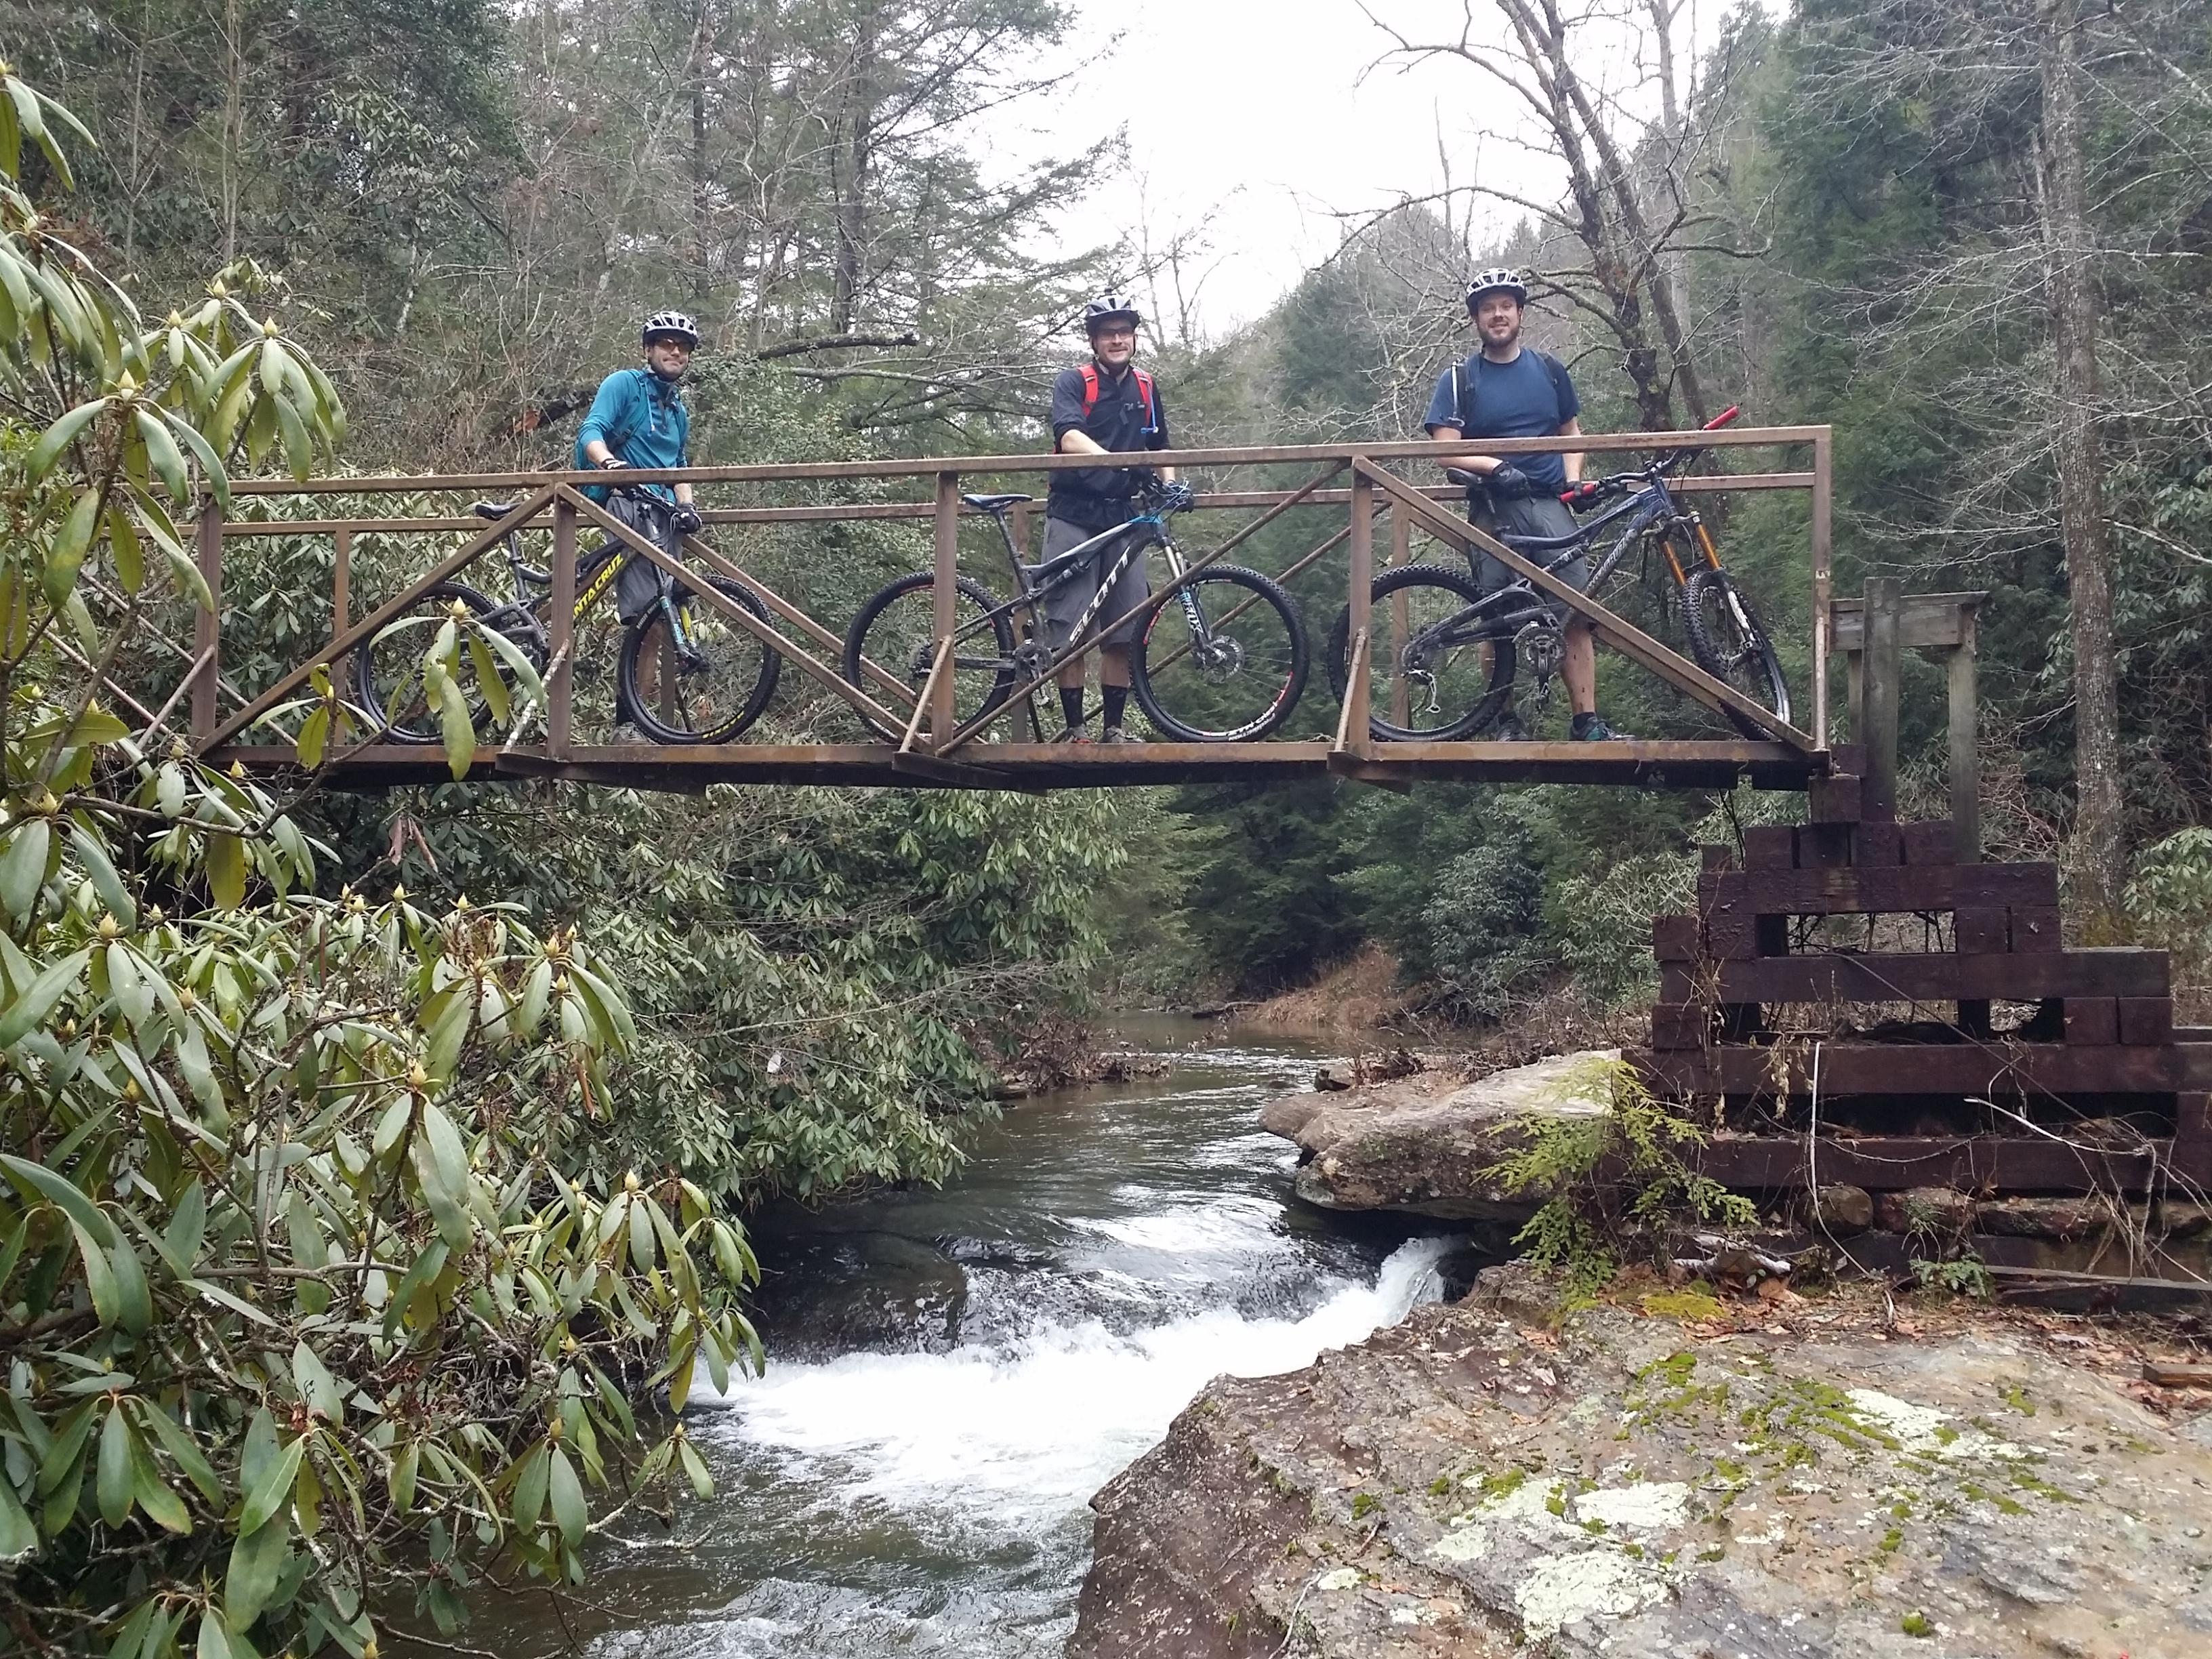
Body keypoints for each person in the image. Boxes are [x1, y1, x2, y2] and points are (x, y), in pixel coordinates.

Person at [1423, 268, 1628, 741]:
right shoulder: (1459, 379)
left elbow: (1571, 433)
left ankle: (1586, 722)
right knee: (1496, 616)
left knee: (1575, 609)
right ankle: (1504, 721)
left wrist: (1573, 479)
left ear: (1520, 314)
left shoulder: (1549, 370)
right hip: (1493, 509)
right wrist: (1494, 467)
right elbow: (1444, 450)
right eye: (1488, 308)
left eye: (1506, 307)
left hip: (1550, 505)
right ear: (1476, 318)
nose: (1498, 315)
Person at [1042, 295, 1177, 743]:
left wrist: (1170, 485)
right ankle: (1074, 730)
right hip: (1074, 514)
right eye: (1107, 334)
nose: (1117, 340)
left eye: (1124, 332)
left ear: (1134, 338)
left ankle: (1113, 730)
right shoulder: (1074, 382)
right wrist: (1116, 460)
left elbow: (1160, 446)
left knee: (1124, 629)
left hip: (1124, 516)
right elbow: (1068, 437)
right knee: (1071, 627)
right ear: (1095, 341)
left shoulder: (1145, 386)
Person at [575, 309, 705, 735]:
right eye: (666, 344)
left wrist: (687, 505)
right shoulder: (624, 385)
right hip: (628, 506)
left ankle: (643, 723)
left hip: (665, 516)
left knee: (664, 618)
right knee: (644, 619)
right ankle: (628, 724)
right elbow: (591, 431)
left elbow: (678, 465)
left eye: (683, 347)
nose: (675, 351)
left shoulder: (678, 410)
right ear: (648, 349)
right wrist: (610, 464)